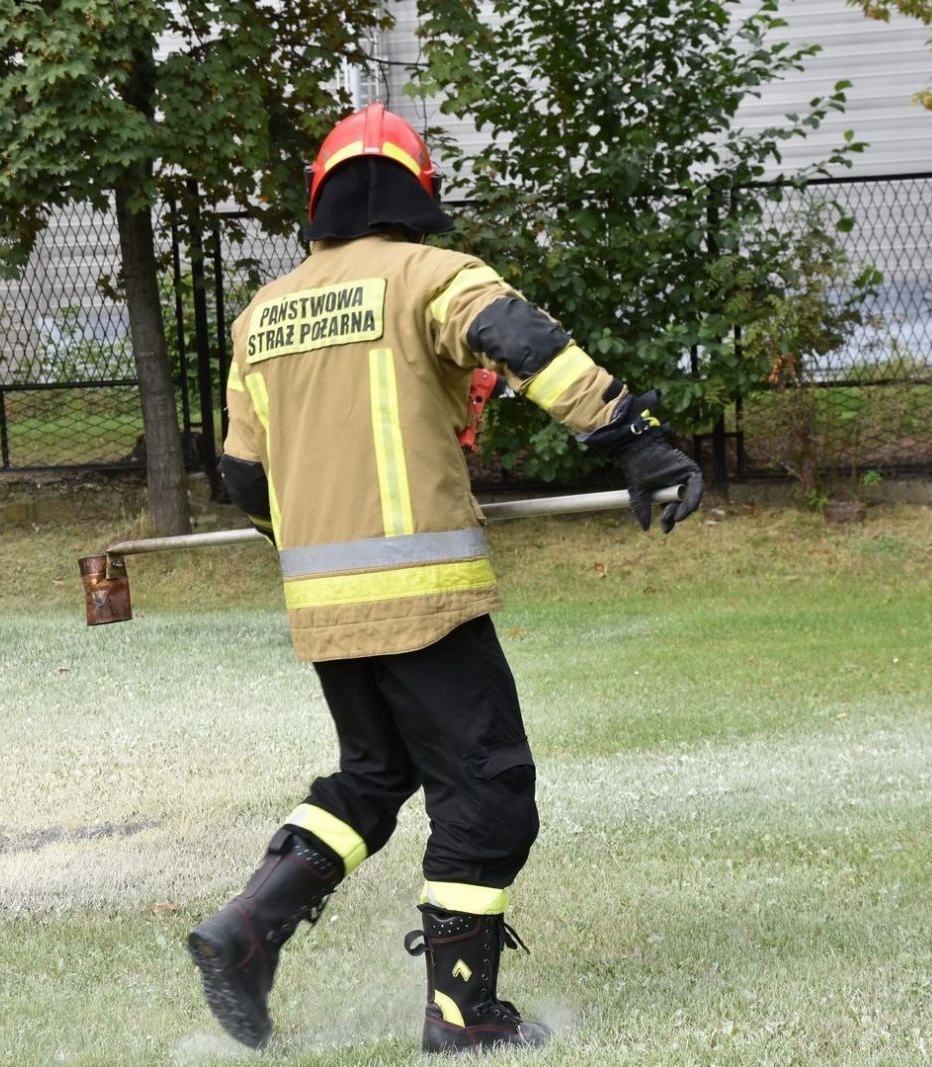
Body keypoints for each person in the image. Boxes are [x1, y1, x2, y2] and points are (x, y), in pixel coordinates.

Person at [187, 102, 704, 1054]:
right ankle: (465, 1017)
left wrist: (312, 535)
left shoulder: (263, 315)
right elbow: (525, 344)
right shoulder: (431, 275)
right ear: (419, 189)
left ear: (321, 196)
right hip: (423, 597)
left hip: (322, 605)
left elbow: (246, 481)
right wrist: (635, 442)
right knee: (491, 790)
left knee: (373, 779)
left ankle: (246, 930)